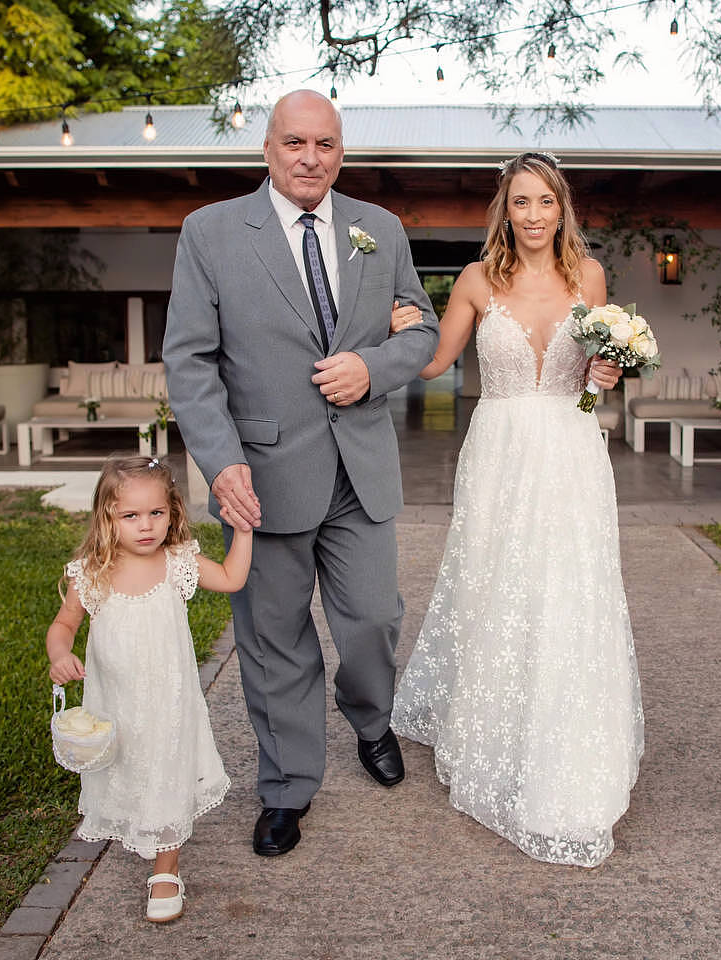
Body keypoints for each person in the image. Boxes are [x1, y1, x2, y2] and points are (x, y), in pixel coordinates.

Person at [162, 89, 440, 858]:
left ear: (341, 152)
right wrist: (220, 464)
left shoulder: (378, 231)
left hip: (361, 470)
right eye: (294, 143)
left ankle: (371, 720)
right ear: (268, 150)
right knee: (275, 637)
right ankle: (286, 787)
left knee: (374, 619)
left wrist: (373, 367)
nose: (310, 158)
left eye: (324, 144)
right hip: (263, 474)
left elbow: (421, 326)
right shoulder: (211, 233)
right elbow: (189, 362)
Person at [388, 151, 644, 868]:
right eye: (519, 202)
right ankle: (493, 731)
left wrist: (605, 377)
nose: (532, 215)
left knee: (569, 589)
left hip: (571, 448)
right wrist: (399, 328)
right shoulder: (476, 280)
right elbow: (437, 364)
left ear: (562, 208)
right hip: (498, 451)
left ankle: (566, 740)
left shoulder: (588, 279)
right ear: (504, 210)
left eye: (544, 202)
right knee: (498, 584)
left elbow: (595, 390)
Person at [45, 456, 253, 923]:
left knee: (166, 770)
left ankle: (166, 867)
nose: (146, 527)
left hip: (169, 704)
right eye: (130, 516)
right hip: (116, 705)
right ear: (107, 517)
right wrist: (60, 654)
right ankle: (145, 829)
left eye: (156, 513)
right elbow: (64, 624)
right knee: (129, 770)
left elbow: (232, 578)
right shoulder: (92, 571)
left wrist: (243, 531)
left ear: (172, 512)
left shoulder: (176, 562)